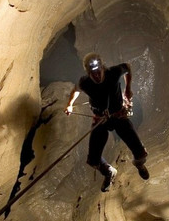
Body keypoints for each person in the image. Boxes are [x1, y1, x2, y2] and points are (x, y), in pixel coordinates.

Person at [64, 52, 149, 192]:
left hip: (118, 116)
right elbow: (76, 90)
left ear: (103, 68)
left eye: (98, 72)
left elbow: (127, 67)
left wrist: (128, 89)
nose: (96, 76)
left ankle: (139, 165)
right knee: (93, 160)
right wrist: (70, 104)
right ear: (88, 73)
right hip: (100, 120)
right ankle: (109, 172)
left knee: (140, 153)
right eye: (93, 73)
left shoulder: (113, 72)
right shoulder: (85, 82)